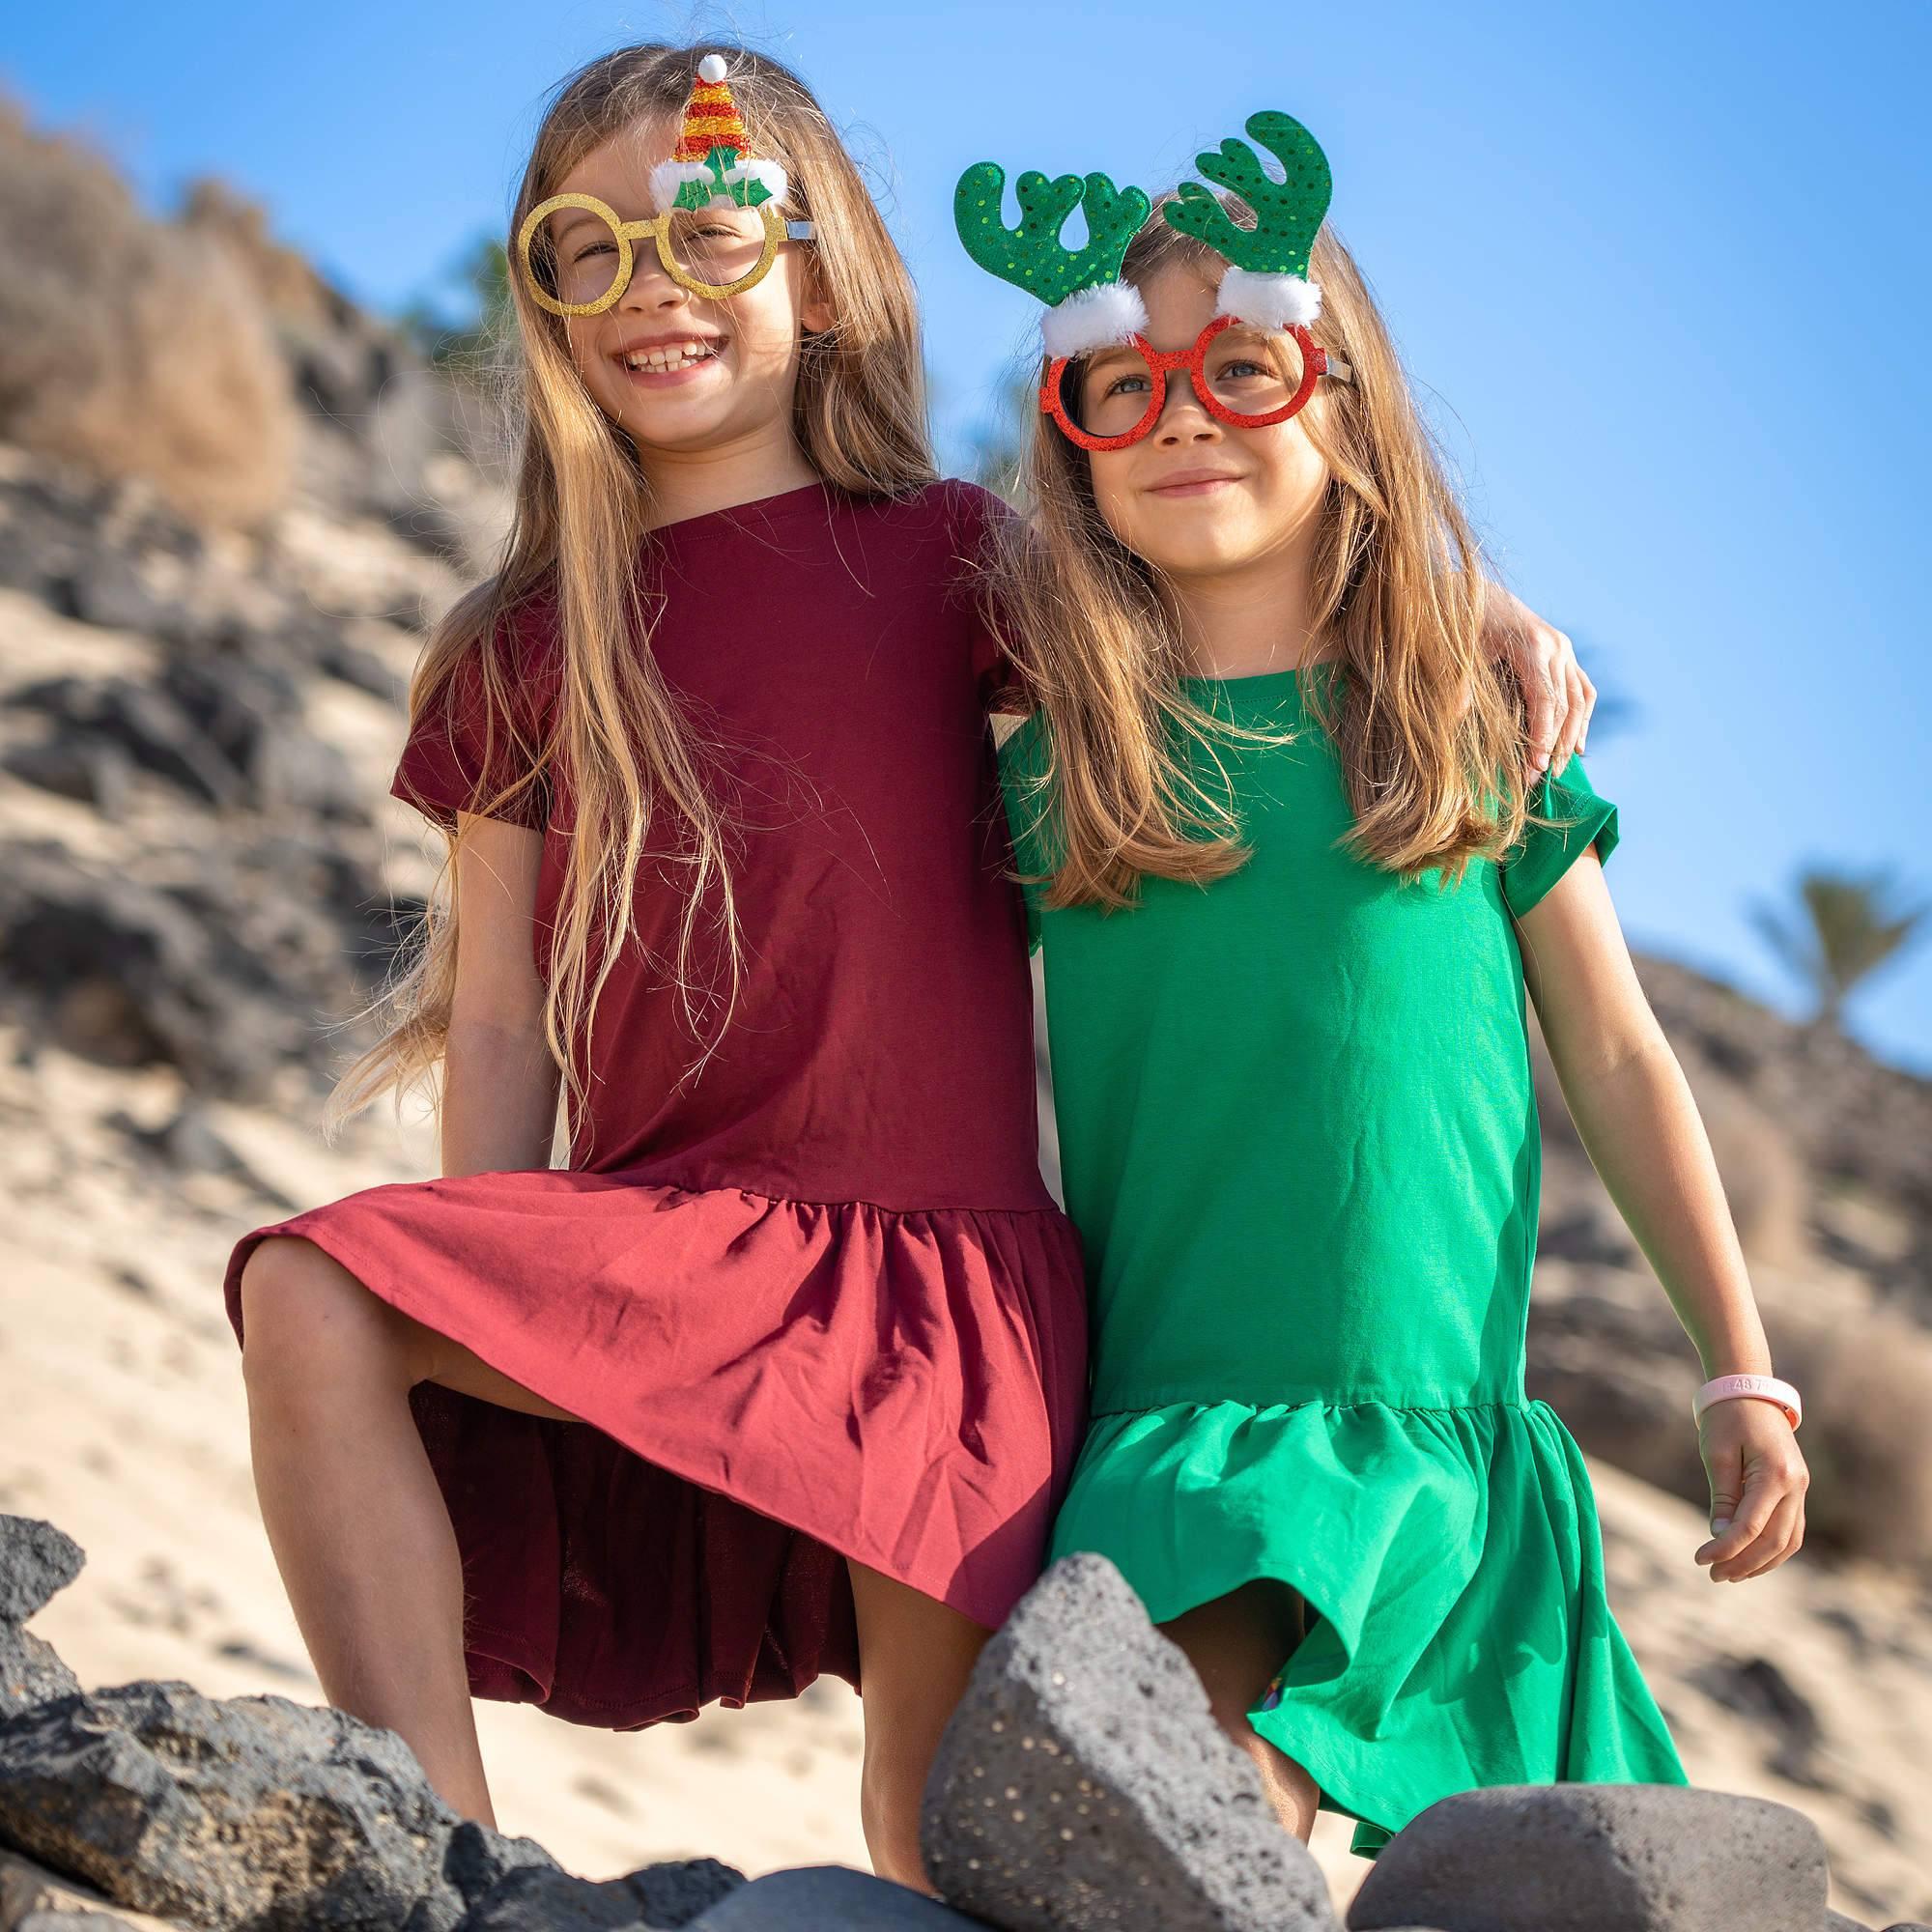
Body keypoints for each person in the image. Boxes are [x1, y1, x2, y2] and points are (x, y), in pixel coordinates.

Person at [222, 45, 1092, 1888]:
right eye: (584, 248)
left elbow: (1221, 624)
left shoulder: (960, 561)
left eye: (704, 230)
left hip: (939, 1289)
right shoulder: (522, 646)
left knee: (923, 1847)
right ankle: (446, 1870)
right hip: (668, 1251)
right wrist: (504, 1281)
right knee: (313, 1292)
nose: (652, 292)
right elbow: (501, 1014)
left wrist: (1455, 603)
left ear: (824, 266)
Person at [966, 110, 1809, 1856]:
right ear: (1073, 442)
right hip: (1183, 1428)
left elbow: (1623, 1056)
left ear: (1344, 408)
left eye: (1244, 366)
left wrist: (1741, 1363)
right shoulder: (1049, 754)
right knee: (1192, 1827)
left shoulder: (1469, 720)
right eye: (1123, 385)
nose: (1186, 410)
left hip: (1448, 1440)